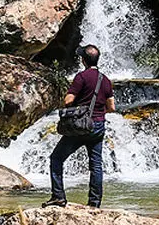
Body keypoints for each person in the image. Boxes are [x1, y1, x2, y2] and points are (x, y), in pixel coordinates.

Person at [43, 44, 116, 208]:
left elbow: (68, 100)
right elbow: (112, 107)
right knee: (96, 165)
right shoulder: (105, 80)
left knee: (56, 158)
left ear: (83, 60)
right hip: (98, 126)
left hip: (80, 126)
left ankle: (58, 196)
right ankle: (94, 203)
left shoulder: (81, 77)